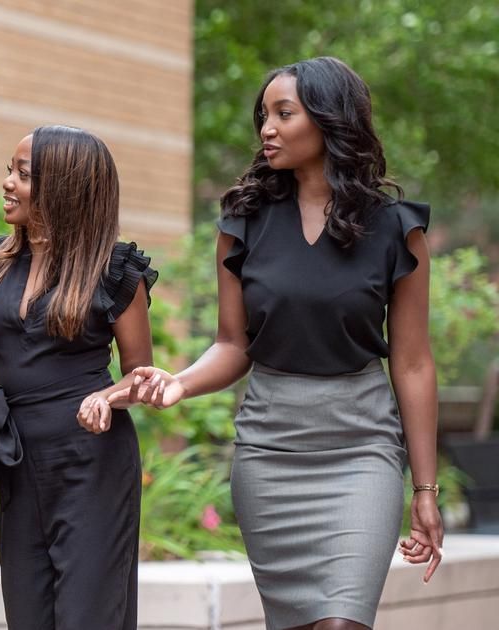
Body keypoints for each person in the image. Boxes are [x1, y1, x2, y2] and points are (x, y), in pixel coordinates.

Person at [111, 57, 443, 630]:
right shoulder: (243, 222)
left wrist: (425, 487)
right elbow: (233, 344)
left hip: (362, 446)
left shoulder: (396, 229)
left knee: (341, 622)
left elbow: (412, 364)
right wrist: (179, 382)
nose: (266, 128)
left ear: (328, 120)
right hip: (271, 450)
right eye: (263, 115)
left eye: (282, 113)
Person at [0, 125, 156, 629]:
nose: (7, 182)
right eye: (9, 169)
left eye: (23, 174)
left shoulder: (113, 270)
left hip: (91, 459)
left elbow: (141, 375)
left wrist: (109, 397)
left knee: (88, 616)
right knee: (28, 614)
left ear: (64, 186)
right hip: (18, 458)